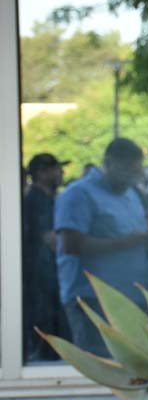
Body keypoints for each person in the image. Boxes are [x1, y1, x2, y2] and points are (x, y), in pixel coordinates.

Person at [54, 138, 148, 356]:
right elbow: (70, 244)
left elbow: (138, 244)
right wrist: (127, 242)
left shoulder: (129, 194)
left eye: (135, 172)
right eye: (127, 171)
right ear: (108, 162)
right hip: (91, 301)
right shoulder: (78, 194)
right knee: (101, 367)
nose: (131, 177)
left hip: (129, 297)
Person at [22, 152, 71, 362]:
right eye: (57, 169)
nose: (61, 173)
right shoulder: (36, 200)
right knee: (46, 332)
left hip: (50, 276)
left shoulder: (49, 199)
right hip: (41, 278)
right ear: (42, 173)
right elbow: (50, 239)